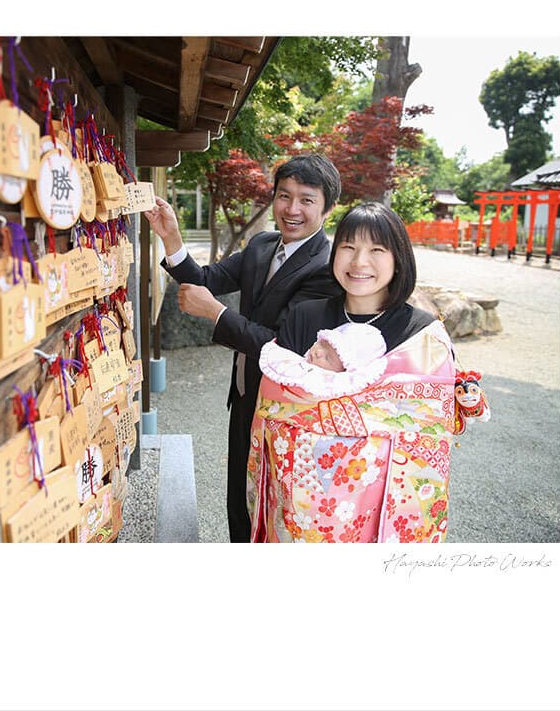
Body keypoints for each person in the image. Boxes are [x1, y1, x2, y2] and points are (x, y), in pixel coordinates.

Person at [143, 153, 342, 542]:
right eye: (284, 196)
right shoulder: (261, 245)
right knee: (238, 496)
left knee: (274, 504)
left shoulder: (327, 267)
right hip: (245, 393)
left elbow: (286, 349)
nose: (292, 209)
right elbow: (204, 278)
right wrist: (171, 237)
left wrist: (216, 315)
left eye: (306, 199)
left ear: (328, 209)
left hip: (289, 410)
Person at [248, 202, 457, 543]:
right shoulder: (305, 317)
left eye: (376, 250)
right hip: (301, 500)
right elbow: (274, 398)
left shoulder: (420, 335)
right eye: (348, 247)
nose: (360, 262)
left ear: (398, 259)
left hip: (383, 505)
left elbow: (429, 422)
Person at [259, 322, 389, 399]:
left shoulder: (333, 387)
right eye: (322, 344)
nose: (318, 353)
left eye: (328, 358)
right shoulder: (294, 363)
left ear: (344, 371)